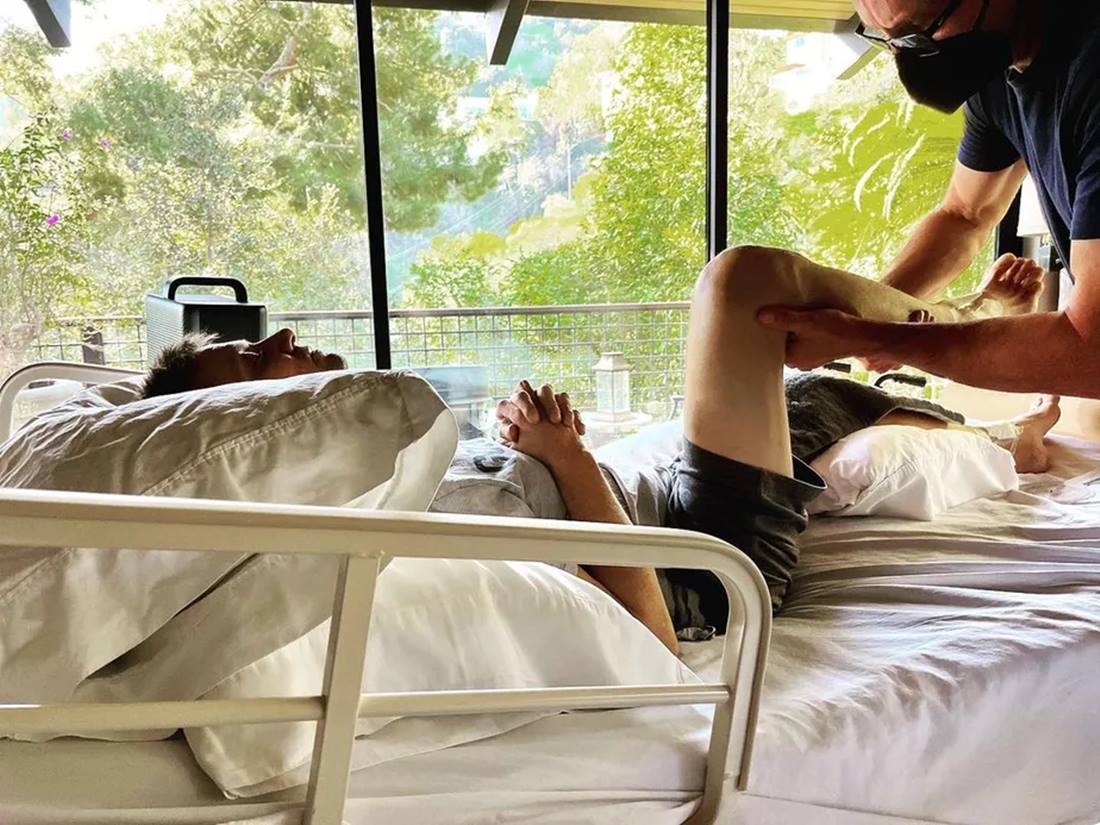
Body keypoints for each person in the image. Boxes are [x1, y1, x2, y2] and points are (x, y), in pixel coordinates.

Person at [140, 249, 1059, 648]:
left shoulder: (373, 472)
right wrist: (567, 457)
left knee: (798, 394)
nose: (280, 338)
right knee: (751, 295)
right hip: (705, 567)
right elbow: (648, 629)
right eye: (253, 361)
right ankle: (988, 386)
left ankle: (982, 404)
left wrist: (535, 444)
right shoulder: (356, 539)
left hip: (649, 497)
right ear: (241, 423)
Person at [757, 1, 1100, 398]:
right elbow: (964, 215)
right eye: (887, 39)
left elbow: (1091, 348)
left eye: (918, 30)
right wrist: (867, 308)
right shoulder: (998, 78)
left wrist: (876, 337)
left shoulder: (1090, 73)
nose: (905, 56)